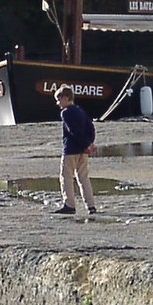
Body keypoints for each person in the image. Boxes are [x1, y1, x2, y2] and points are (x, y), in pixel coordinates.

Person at [53, 84, 97, 216]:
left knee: (66, 177)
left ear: (66, 98)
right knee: (83, 178)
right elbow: (91, 128)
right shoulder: (80, 111)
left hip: (71, 150)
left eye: (59, 100)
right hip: (83, 151)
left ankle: (69, 205)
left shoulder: (66, 113)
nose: (58, 103)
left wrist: (85, 144)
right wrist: (89, 143)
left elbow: (73, 131)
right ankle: (91, 205)